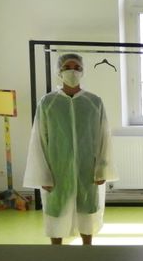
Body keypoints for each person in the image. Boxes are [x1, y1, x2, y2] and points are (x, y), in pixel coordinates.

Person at [24, 53, 118, 245]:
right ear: (59, 71)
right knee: (56, 211)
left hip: (87, 168)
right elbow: (38, 139)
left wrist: (102, 169)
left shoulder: (94, 102)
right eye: (67, 67)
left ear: (82, 71)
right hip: (56, 169)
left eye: (77, 67)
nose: (72, 71)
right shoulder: (48, 103)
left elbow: (104, 137)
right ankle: (56, 251)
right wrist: (42, 175)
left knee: (87, 211)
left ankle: (87, 249)